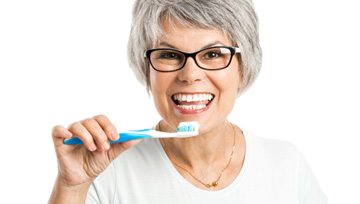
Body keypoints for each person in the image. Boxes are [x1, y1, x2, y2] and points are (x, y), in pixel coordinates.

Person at [49, 0, 327, 203]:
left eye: (214, 54)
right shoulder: (107, 173)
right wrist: (72, 187)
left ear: (244, 66)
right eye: (169, 55)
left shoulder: (286, 166)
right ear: (146, 68)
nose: (190, 75)